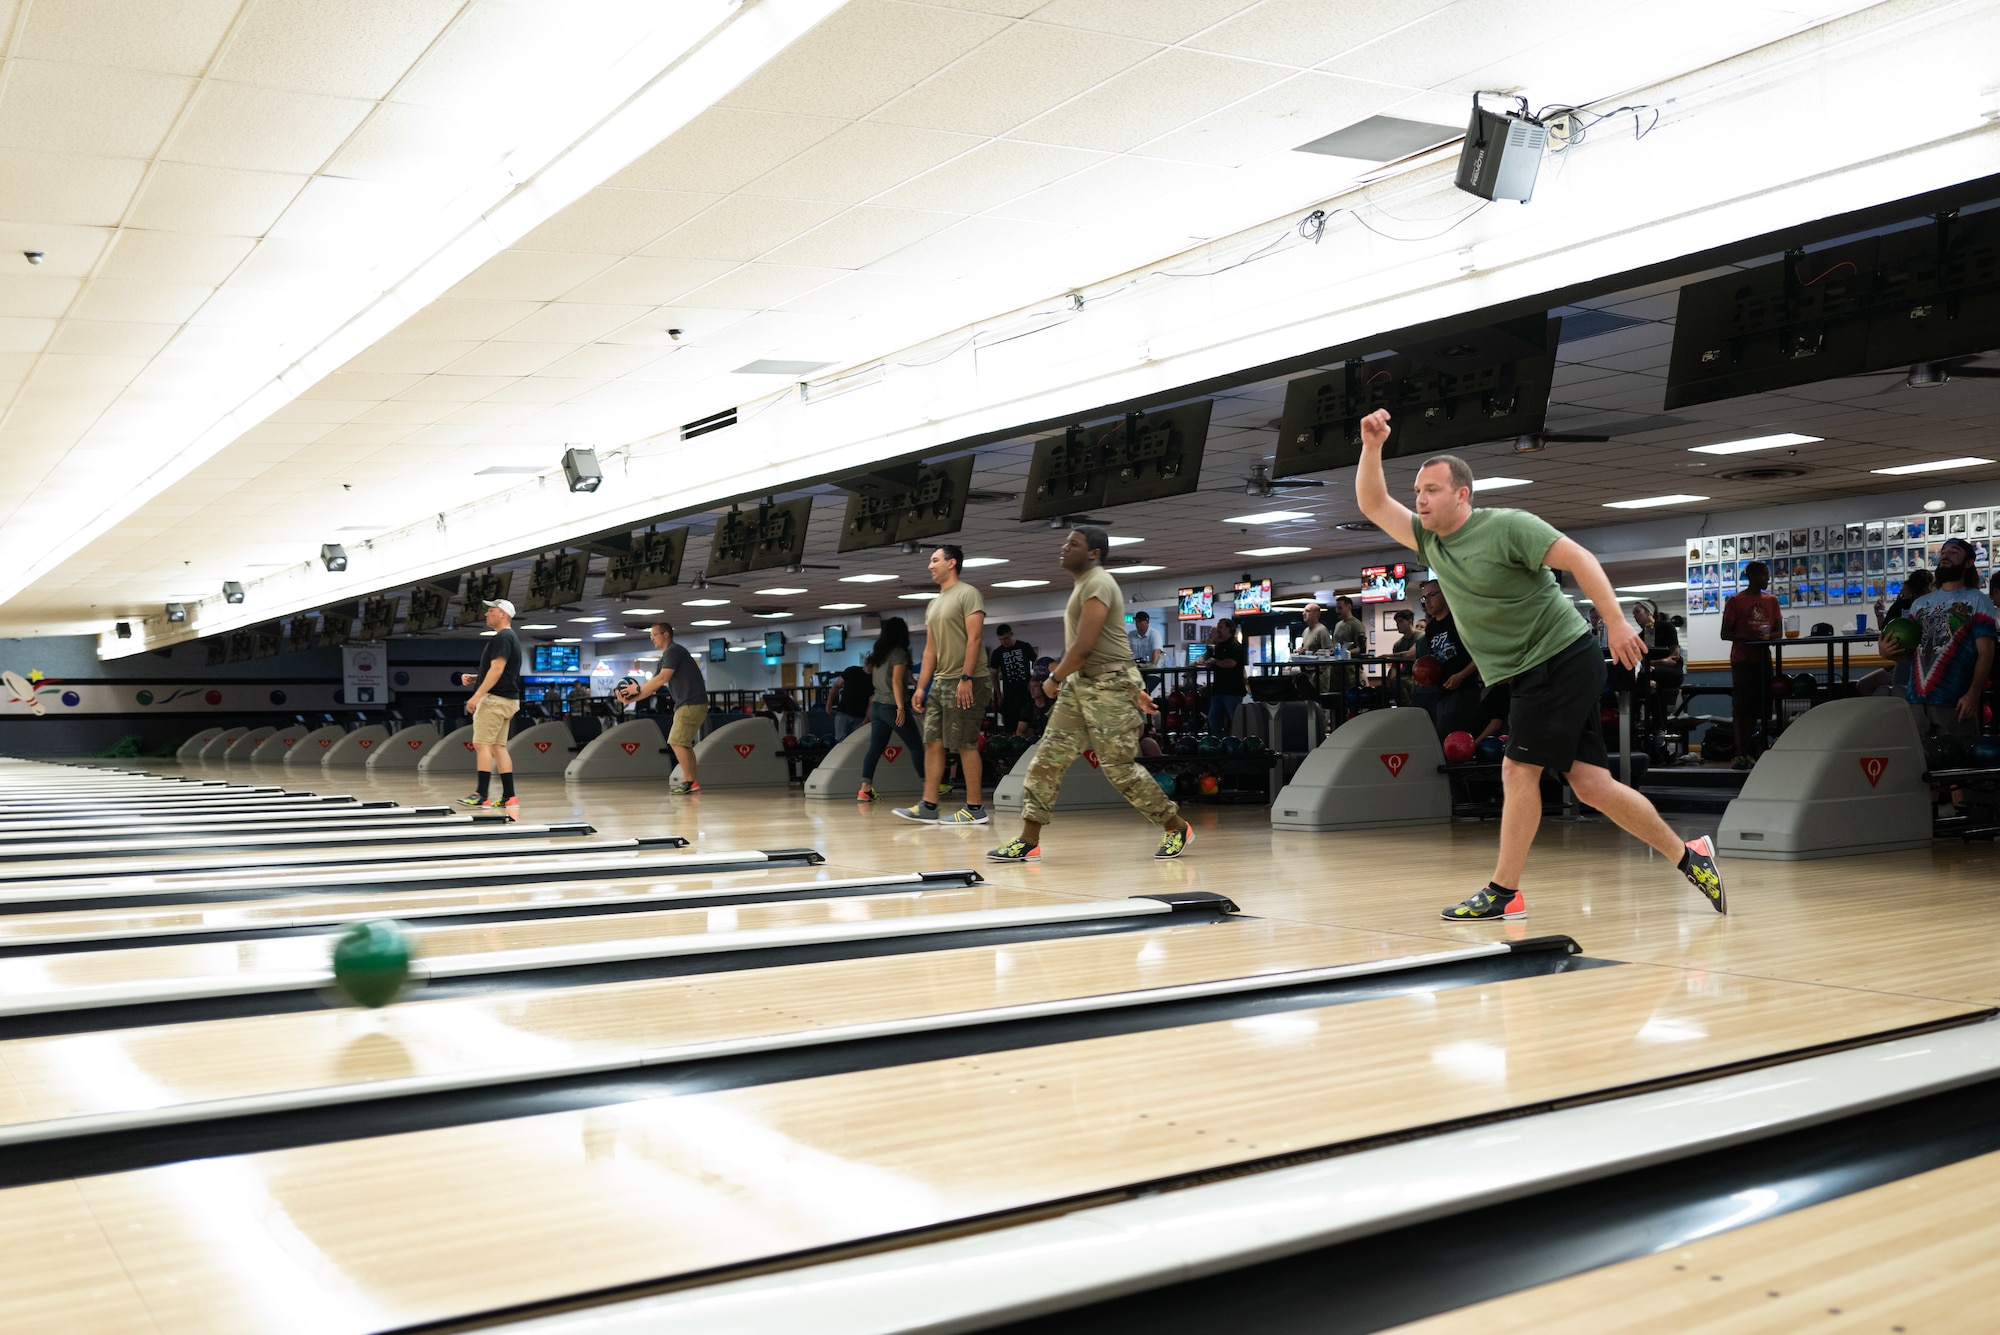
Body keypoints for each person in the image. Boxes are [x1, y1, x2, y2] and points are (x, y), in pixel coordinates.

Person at [1354, 407, 1724, 921]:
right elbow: (1373, 502)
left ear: (1462, 494)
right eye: (1418, 490)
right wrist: (1372, 446)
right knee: (1593, 786)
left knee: (1517, 768)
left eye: (1432, 490)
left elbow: (1581, 559)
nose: (1419, 499)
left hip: (1559, 657)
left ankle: (1504, 894)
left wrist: (1617, 623)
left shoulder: (1509, 528)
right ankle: (1692, 856)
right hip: (1529, 670)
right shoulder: (1430, 541)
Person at [988, 527, 1193, 863]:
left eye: (1074, 543)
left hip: (1106, 687)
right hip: (1082, 686)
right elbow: (1109, 643)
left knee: (1119, 769)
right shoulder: (1084, 584)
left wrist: (1054, 679)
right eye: (1066, 541)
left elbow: (1085, 646)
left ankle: (1176, 826)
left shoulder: (1098, 582)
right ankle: (1028, 839)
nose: (1065, 547)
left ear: (1094, 552)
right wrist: (1136, 687)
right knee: (1046, 760)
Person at [898, 544, 991, 825]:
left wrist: (966, 678)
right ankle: (929, 805)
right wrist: (921, 687)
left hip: (968, 681)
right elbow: (930, 650)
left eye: (935, 560)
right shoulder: (934, 603)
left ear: (951, 563)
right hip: (940, 682)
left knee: (964, 743)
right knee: (933, 743)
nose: (930, 565)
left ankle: (975, 809)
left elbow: (974, 639)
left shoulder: (968, 594)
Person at [1882, 537, 1995, 747]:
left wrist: (1973, 694)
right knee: (1921, 769)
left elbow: (1986, 653)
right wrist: (1888, 653)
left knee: (1957, 766)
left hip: (1956, 699)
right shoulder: (1919, 604)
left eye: (1954, 552)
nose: (1945, 555)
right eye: (1943, 552)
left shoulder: (1978, 600)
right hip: (1917, 700)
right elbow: (1911, 653)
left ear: (1969, 562)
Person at [616, 621, 709, 794]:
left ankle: (689, 780)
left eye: (654, 635)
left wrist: (636, 689)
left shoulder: (674, 651)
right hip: (689, 704)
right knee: (683, 743)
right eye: (650, 636)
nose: (651, 638)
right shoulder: (667, 655)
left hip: (691, 703)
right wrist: (631, 699)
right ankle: (692, 782)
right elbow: (654, 685)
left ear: (666, 634)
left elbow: (662, 678)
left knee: (676, 741)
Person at [456, 598, 523, 812]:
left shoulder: (502, 637)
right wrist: (476, 677)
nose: (486, 614)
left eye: (491, 610)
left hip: (494, 701)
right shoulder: (510, 637)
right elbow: (503, 672)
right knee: (497, 746)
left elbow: (497, 670)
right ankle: (509, 797)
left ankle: (481, 795)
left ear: (502, 614)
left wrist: (476, 695)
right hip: (509, 700)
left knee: (482, 744)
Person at [1720, 560, 1782, 770]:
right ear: (1752, 576)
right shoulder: (1736, 601)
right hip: (1742, 661)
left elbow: (1778, 632)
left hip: (1764, 659)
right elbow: (1725, 633)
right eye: (1764, 574)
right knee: (1742, 709)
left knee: (1762, 708)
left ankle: (1759, 750)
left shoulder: (1772, 600)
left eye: (1767, 574)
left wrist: (1764, 638)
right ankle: (1741, 753)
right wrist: (1748, 636)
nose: (1767, 578)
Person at [857, 617, 924, 801]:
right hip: (892, 706)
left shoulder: (879, 653)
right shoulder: (899, 653)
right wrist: (901, 708)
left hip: (877, 707)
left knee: (875, 748)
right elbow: (895, 681)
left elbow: (895, 678)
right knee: (916, 746)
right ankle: (929, 787)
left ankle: (865, 790)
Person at [1416, 579, 1483, 736]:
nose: (1427, 602)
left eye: (1432, 595)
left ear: (1445, 594)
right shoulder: (1431, 628)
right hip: (1443, 692)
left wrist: (1460, 676)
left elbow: (1480, 655)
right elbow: (1435, 659)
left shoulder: (1460, 621)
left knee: (1447, 739)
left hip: (1465, 691)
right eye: (1424, 597)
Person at [1631, 600, 1683, 732]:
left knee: (1646, 674)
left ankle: (1639, 719)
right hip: (1652, 673)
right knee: (1649, 684)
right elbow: (1643, 662)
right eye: (1633, 614)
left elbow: (1674, 657)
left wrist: (1654, 664)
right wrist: (1662, 661)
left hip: (1673, 672)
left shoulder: (1666, 627)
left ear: (1649, 612)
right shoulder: (1641, 636)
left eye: (1638, 612)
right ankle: (1658, 726)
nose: (1636, 616)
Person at [988, 624, 1038, 736]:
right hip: (1009, 695)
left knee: (1029, 725)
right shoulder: (997, 653)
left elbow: (1037, 664)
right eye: (1000, 639)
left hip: (1026, 693)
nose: (1003, 642)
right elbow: (993, 675)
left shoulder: (1024, 647)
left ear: (1011, 634)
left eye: (1006, 638)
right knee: (1010, 728)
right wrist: (999, 695)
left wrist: (1033, 682)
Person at [1206, 619, 1247, 735]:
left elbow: (1231, 663)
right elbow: (1214, 661)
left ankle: (1239, 744)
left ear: (1229, 629)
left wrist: (1215, 662)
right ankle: (1217, 744)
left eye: (1221, 627)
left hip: (1232, 691)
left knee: (1235, 720)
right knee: (1213, 719)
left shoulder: (1235, 646)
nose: (1218, 629)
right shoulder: (1219, 646)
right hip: (1219, 690)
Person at [827, 659, 872, 741]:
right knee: (841, 742)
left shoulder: (874, 679)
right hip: (844, 713)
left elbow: (871, 702)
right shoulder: (851, 671)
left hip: (859, 716)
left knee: (857, 743)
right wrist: (829, 702)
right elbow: (836, 685)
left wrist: (865, 720)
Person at [1127, 610, 1163, 693]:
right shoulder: (1131, 635)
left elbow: (1156, 652)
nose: (1137, 624)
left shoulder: (1154, 634)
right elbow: (1126, 652)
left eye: (1140, 621)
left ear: (1147, 622)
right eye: (1136, 621)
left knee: (1143, 691)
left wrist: (1152, 665)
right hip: (1136, 672)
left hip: (1152, 674)